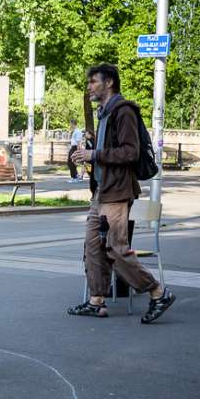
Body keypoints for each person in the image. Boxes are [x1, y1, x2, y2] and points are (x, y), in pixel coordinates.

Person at [69, 63, 175, 324]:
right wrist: (93, 146)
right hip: (101, 192)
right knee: (92, 247)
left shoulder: (123, 111)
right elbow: (109, 151)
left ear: (109, 83)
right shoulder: (104, 113)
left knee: (115, 248)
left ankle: (157, 291)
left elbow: (131, 152)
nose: (89, 87)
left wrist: (94, 154)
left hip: (116, 192)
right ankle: (97, 301)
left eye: (93, 82)